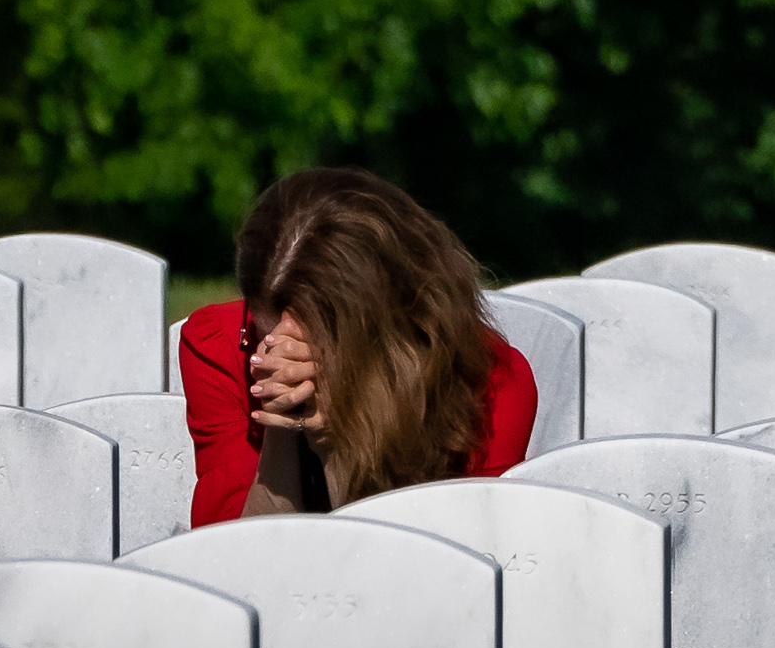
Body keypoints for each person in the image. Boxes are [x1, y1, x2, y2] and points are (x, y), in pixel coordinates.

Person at [178, 167, 537, 523]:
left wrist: (335, 436)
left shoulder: (492, 384)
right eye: (265, 333)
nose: (280, 350)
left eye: (316, 336)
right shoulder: (221, 344)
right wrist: (283, 422)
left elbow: (422, 552)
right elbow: (232, 548)